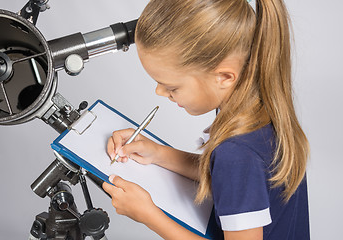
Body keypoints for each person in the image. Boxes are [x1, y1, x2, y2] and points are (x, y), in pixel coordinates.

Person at [102, 0, 310, 239]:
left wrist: (149, 215)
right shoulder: (258, 109)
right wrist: (157, 153)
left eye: (171, 86)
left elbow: (234, 170)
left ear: (223, 77)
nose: (159, 92)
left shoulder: (237, 154)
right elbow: (230, 178)